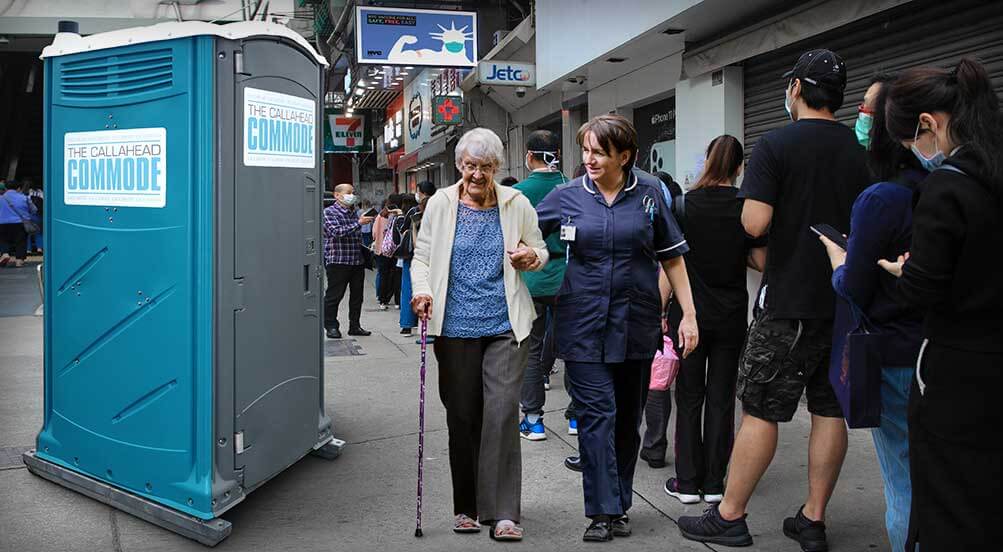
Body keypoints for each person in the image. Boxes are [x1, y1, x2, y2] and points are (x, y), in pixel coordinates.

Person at [678, 49, 870, 549]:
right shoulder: (857, 148)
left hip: (787, 304)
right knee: (829, 410)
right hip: (842, 302)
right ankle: (813, 517)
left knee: (761, 409)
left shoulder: (775, 145)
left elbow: (754, 224)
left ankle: (730, 514)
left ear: (797, 90)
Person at [536, 114, 698, 542]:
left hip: (636, 322)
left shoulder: (648, 196)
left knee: (627, 419)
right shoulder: (566, 195)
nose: (589, 159)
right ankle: (602, 511)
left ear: (624, 156)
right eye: (585, 150)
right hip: (582, 324)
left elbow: (673, 257)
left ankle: (619, 504)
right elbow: (527, 233)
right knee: (596, 417)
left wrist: (690, 314)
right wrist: (529, 257)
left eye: (599, 152)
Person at [877, 57, 1003, 552]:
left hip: (958, 373)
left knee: (951, 504)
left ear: (928, 125)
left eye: (912, 143)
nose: (916, 154)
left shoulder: (947, 186)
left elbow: (922, 292)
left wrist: (905, 271)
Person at [410, 127, 548, 542]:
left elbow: (540, 250)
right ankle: (467, 507)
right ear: (459, 166)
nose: (476, 175)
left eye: (485, 167)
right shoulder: (441, 203)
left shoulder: (516, 203)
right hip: (454, 328)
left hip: (505, 326)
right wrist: (422, 291)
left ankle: (504, 512)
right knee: (464, 414)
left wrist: (530, 258)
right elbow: (422, 256)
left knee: (503, 411)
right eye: (470, 166)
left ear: (496, 167)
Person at [816, 72, 924, 552]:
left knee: (902, 478)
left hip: (895, 356)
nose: (857, 117)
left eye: (865, 109)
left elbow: (855, 286)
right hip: (945, 352)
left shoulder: (881, 198)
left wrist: (839, 260)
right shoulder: (945, 185)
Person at [659, 136, 767, 502]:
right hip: (731, 316)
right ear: (739, 168)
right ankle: (715, 483)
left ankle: (687, 483)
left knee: (689, 395)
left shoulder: (683, 206)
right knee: (721, 397)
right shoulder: (746, 209)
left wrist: (659, 312)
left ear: (707, 160)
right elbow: (761, 261)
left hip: (688, 316)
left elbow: (668, 265)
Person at [513, 130, 568, 442]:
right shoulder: (572, 188)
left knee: (531, 349)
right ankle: (576, 418)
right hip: (568, 276)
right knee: (574, 347)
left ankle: (533, 420)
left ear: (529, 155)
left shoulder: (518, 193)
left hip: (531, 279)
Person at [639, 170, 685, 469]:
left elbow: (667, 270)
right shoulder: (677, 222)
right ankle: (655, 445)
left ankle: (650, 445)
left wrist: (660, 311)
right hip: (670, 312)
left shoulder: (645, 221)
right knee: (660, 381)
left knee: (650, 380)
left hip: (649, 310)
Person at [322, 183, 374, 339]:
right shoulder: (329, 213)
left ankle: (355, 325)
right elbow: (336, 232)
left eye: (353, 192)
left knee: (357, 296)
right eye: (348, 192)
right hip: (338, 260)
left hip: (356, 260)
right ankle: (331, 326)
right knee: (334, 295)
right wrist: (358, 223)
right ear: (337, 195)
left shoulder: (353, 212)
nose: (352, 195)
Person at [398, 181, 435, 336]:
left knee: (408, 289)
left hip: (414, 256)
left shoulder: (413, 211)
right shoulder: (443, 209)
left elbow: (402, 230)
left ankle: (407, 324)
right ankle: (430, 327)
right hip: (435, 257)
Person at [0, 179, 38, 268]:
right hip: (19, 223)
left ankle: (5, 253)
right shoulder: (24, 198)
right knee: (20, 242)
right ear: (18, 188)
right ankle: (19, 261)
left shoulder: (1, 198)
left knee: (3, 240)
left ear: (5, 188)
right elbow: (34, 210)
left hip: (2, 223)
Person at [374, 196, 403, 310]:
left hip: (382, 249)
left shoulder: (381, 216)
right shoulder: (399, 216)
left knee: (383, 275)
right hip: (395, 250)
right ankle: (397, 301)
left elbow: (375, 233)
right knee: (396, 275)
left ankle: (382, 300)